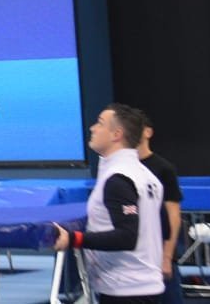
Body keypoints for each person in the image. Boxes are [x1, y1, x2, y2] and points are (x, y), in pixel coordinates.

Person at [51, 104, 165, 304]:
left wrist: (73, 239)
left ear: (116, 134)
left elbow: (127, 237)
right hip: (137, 287)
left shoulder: (119, 178)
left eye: (100, 123)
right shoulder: (145, 176)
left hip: (126, 291)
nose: (92, 128)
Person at [137, 114, 185, 304]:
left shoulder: (164, 169)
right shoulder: (122, 168)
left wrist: (167, 256)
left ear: (148, 132)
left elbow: (173, 215)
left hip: (158, 252)